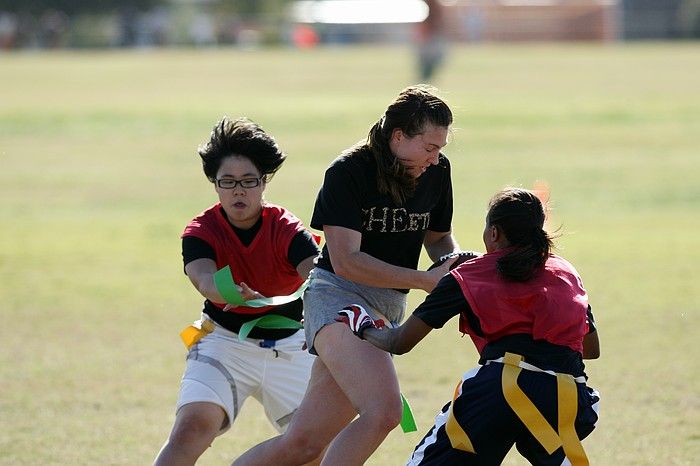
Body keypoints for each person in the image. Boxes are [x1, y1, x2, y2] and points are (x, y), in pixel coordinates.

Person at [231, 85, 461, 466]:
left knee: (303, 444)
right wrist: (423, 279)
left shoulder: (436, 172)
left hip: (386, 306)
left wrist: (454, 263)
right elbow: (346, 261)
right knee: (383, 412)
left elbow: (437, 239)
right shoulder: (348, 172)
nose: (436, 158)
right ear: (398, 137)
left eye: (441, 148)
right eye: (430, 147)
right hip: (338, 300)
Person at [339, 188, 601, 466]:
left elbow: (400, 342)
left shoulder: (469, 274)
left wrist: (363, 327)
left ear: (494, 233)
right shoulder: (566, 272)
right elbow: (590, 348)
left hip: (499, 391)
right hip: (566, 397)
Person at [154, 117, 321, 466]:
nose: (239, 191)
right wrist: (228, 292)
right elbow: (204, 279)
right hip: (224, 340)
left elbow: (319, 276)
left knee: (314, 450)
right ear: (215, 185)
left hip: (293, 346)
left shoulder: (286, 229)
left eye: (249, 181)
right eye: (227, 182)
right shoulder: (201, 230)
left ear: (264, 182)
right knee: (191, 429)